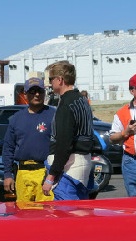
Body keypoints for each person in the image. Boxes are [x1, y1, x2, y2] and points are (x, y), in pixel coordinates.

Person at [42, 60, 94, 200]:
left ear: (60, 80)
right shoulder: (82, 101)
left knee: (66, 215)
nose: (49, 83)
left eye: (51, 79)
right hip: (83, 163)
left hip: (70, 168)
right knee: (80, 213)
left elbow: (64, 144)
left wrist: (51, 176)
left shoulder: (66, 104)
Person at [2, 77, 56, 202]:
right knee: (24, 215)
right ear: (25, 94)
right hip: (23, 174)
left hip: (45, 173)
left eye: (40, 91)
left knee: (47, 214)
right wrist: (8, 174)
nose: (37, 94)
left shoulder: (54, 115)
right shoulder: (16, 118)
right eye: (32, 91)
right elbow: (8, 148)